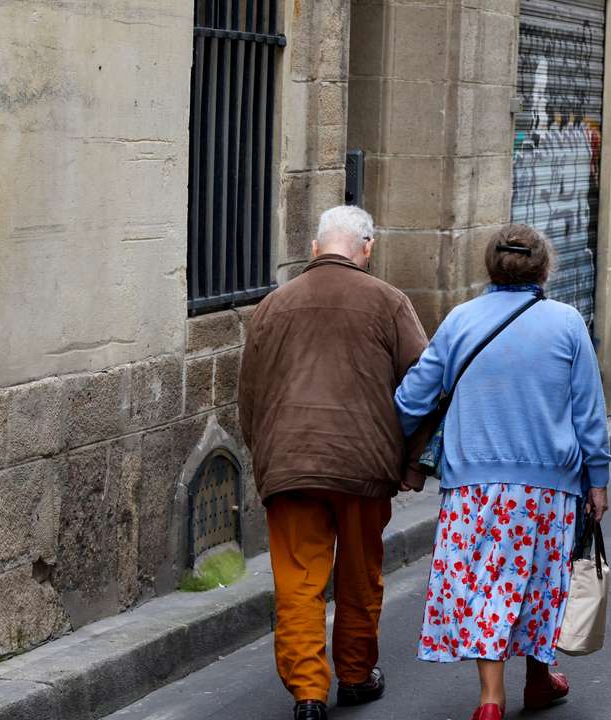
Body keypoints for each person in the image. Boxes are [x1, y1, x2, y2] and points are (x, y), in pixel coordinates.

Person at [394, 224, 611, 720]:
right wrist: (597, 480)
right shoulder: (567, 323)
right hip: (548, 486)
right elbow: (588, 413)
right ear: (544, 268)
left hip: (473, 487)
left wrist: (398, 437)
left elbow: (412, 399)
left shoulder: (460, 320)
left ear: (491, 266)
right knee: (540, 581)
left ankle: (491, 699)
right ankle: (538, 679)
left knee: (485, 584)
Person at [238, 205, 429, 720]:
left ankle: (307, 692)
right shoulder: (389, 302)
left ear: (317, 249)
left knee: (298, 580)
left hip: (290, 463)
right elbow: (424, 384)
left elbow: (250, 393)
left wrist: (265, 457)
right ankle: (354, 673)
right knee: (359, 576)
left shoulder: (274, 305)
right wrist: (413, 463)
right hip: (364, 466)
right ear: (366, 248)